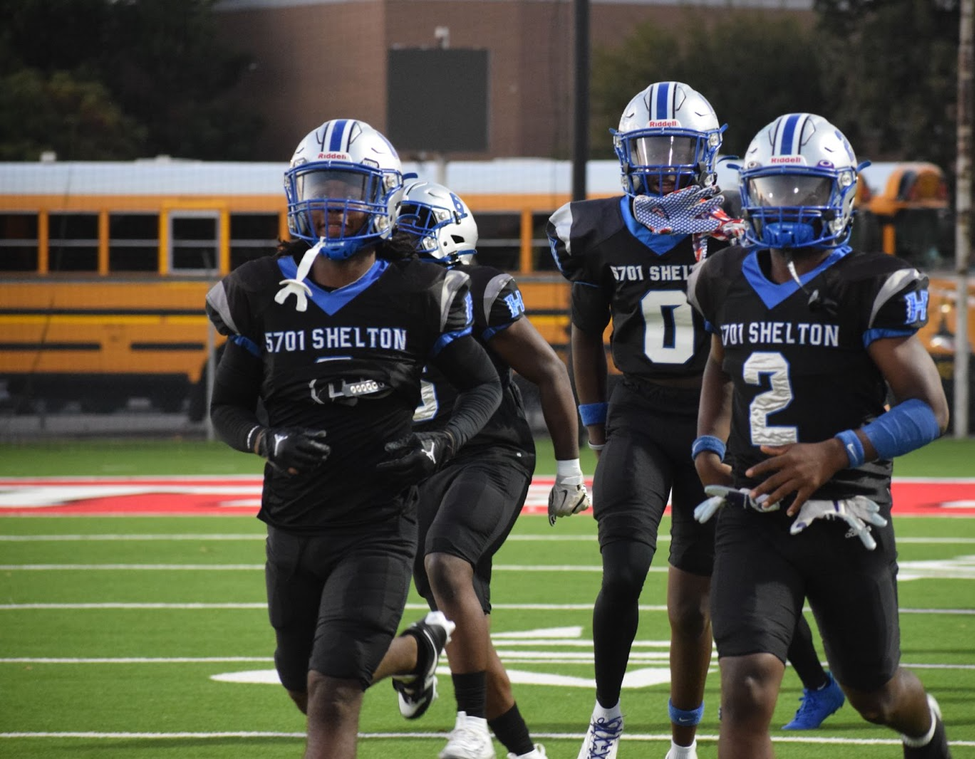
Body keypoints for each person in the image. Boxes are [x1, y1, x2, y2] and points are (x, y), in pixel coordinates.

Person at [548, 84, 843, 759]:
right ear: (626, 153)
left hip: (719, 422)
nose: (666, 165)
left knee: (694, 605)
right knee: (622, 571)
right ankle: (607, 715)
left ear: (711, 155)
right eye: (651, 148)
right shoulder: (594, 228)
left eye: (681, 149)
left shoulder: (744, 219)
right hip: (640, 414)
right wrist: (595, 426)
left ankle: (682, 745)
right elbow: (584, 331)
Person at [206, 119, 504, 759]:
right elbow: (226, 406)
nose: (331, 205)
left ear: (385, 197)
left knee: (335, 686)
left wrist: (440, 444)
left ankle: (410, 653)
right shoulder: (262, 289)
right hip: (292, 517)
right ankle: (419, 648)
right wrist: (267, 441)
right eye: (318, 187)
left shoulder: (418, 289)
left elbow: (485, 389)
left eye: (348, 188)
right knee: (301, 679)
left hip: (378, 519)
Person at [687, 112, 953, 758]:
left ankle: (925, 727)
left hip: (846, 512)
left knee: (876, 694)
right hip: (756, 511)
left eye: (804, 189)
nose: (786, 206)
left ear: (839, 194)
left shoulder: (866, 285)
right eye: (774, 189)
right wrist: (705, 442)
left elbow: (930, 408)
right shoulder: (722, 276)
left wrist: (835, 451)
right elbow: (722, 364)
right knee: (747, 690)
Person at [393, 180, 591, 759]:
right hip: (421, 464)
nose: (397, 238)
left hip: (491, 452)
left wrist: (571, 473)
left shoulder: (480, 290)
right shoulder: (377, 291)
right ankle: (527, 754)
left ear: (446, 233)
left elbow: (551, 372)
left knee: (445, 564)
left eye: (412, 225)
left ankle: (472, 727)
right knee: (456, 618)